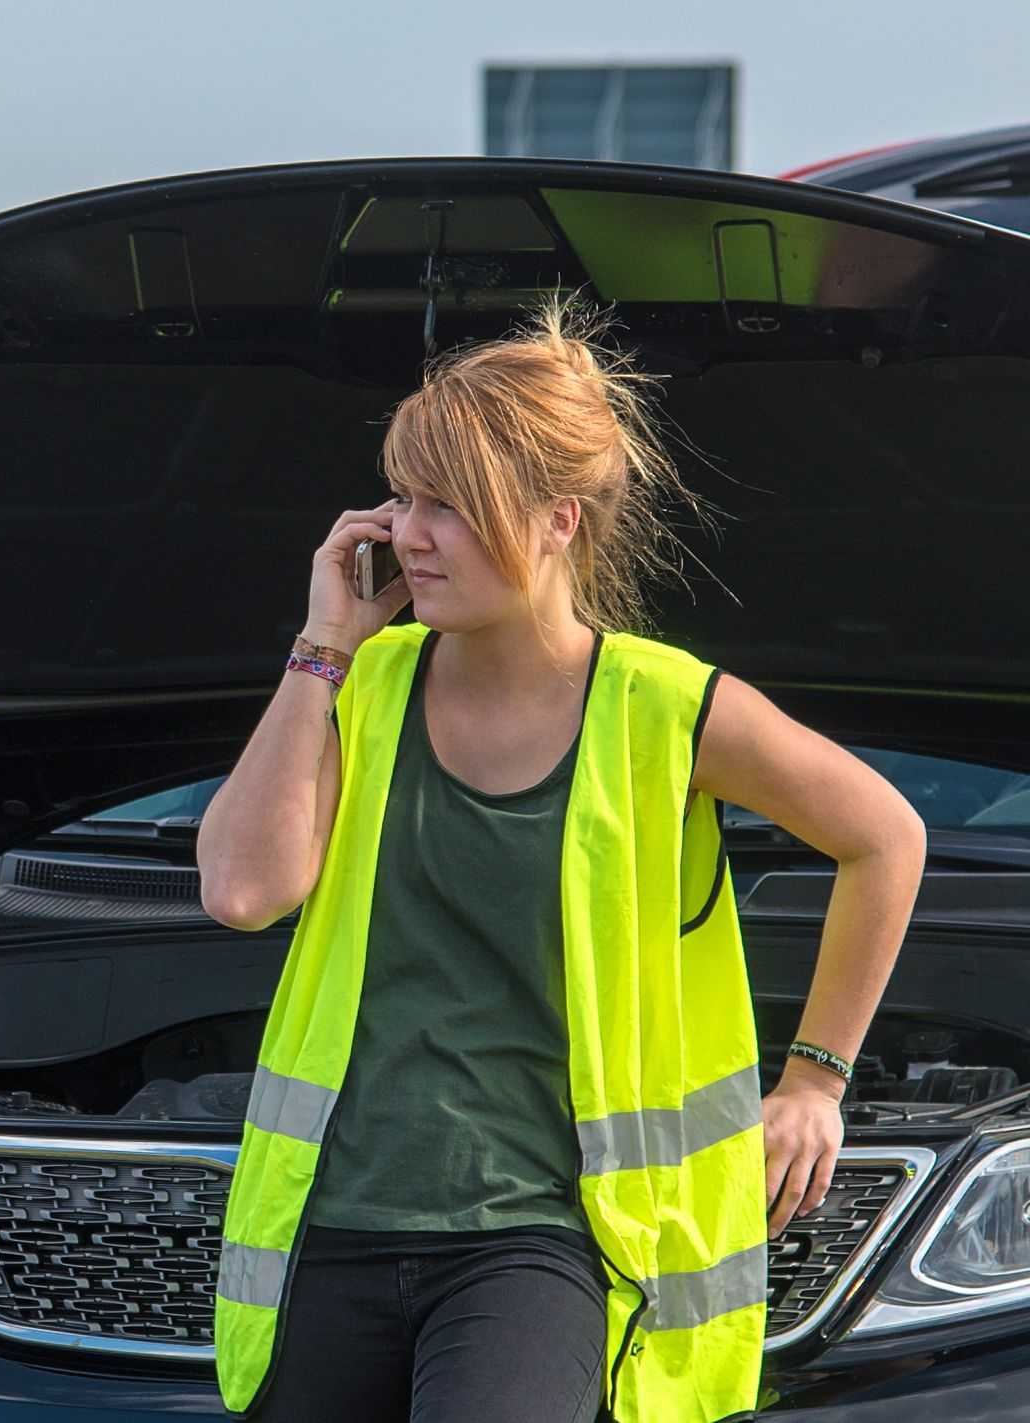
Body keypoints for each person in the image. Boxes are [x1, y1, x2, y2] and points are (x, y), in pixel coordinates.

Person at [197, 298, 926, 1423]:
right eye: (404, 498)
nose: (408, 534)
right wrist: (322, 647)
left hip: (531, 1241)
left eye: (450, 506)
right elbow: (244, 891)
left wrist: (816, 1080)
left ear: (555, 522)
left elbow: (885, 835)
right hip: (332, 1226)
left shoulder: (668, 706)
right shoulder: (364, 687)